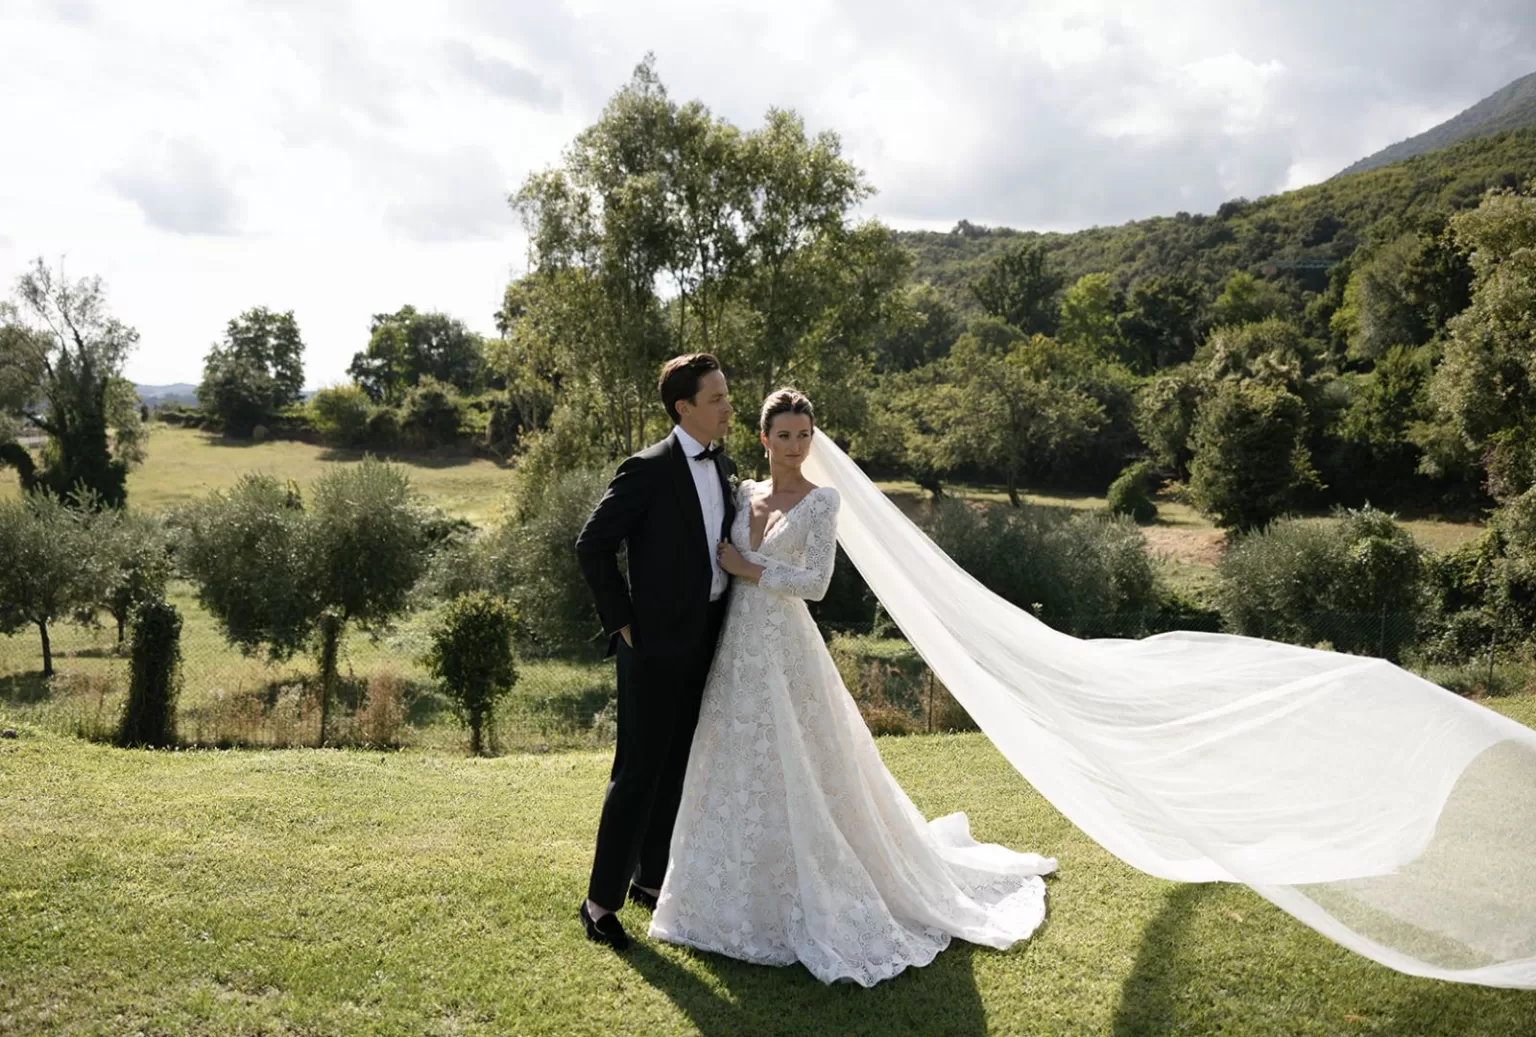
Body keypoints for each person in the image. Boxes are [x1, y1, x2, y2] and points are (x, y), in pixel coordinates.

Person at [647, 389, 1056, 986]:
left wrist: (748, 568)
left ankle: (820, 885)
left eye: (804, 434)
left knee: (809, 765)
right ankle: (719, 900)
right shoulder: (743, 493)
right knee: (733, 762)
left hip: (786, 647)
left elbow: (815, 584)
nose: (794, 445)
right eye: (783, 435)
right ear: (764, 440)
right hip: (736, 647)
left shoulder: (821, 502)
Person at [574, 353, 736, 951]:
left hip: (706, 641)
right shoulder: (645, 470)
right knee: (638, 772)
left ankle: (651, 879)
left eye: (726, 395)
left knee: (676, 768)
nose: (727, 406)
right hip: (652, 647)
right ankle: (598, 904)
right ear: (683, 408)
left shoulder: (722, 464)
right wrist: (622, 622)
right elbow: (592, 546)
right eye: (716, 398)